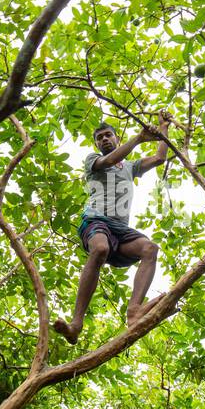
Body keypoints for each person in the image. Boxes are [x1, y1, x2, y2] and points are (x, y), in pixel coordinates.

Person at [52, 114, 174, 343]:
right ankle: (76, 324)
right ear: (96, 144)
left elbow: (159, 158)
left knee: (150, 248)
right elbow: (108, 161)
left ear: (116, 138)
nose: (104, 139)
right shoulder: (93, 161)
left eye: (108, 135)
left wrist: (163, 128)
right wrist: (138, 138)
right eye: (100, 138)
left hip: (121, 230)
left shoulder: (129, 166)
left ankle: (135, 310)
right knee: (99, 248)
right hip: (96, 221)